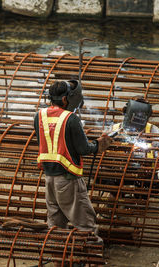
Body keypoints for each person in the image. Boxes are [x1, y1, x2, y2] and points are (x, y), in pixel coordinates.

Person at [34, 80, 112, 244]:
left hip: (49, 179)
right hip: (68, 179)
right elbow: (84, 149)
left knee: (56, 224)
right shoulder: (71, 118)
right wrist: (99, 144)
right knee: (85, 224)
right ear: (64, 99)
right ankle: (88, 254)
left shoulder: (39, 115)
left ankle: (57, 256)